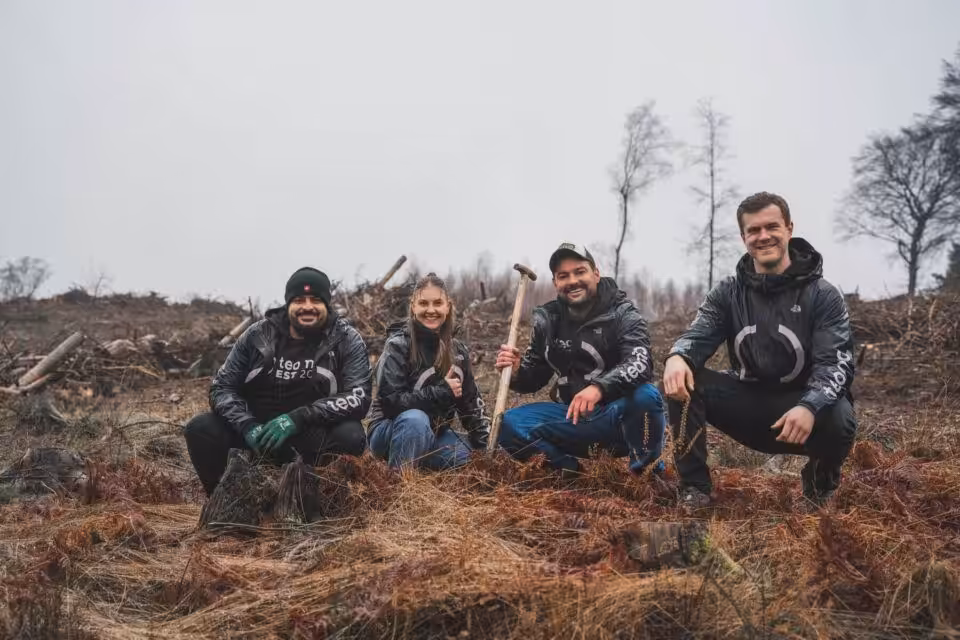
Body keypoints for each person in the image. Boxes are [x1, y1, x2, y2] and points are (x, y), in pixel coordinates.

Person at [663, 192, 857, 509]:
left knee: (838, 414)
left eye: (772, 227)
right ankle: (694, 488)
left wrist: (809, 406)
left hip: (802, 412)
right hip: (748, 404)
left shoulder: (823, 295)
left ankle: (819, 489)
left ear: (789, 228)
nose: (763, 236)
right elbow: (697, 335)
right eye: (753, 230)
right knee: (681, 378)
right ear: (743, 237)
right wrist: (678, 355)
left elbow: (836, 366)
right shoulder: (727, 292)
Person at [184, 267, 371, 495]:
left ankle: (322, 502)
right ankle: (227, 502)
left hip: (310, 434)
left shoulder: (346, 339)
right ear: (288, 303)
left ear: (327, 304)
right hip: (256, 435)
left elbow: (358, 397)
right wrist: (247, 426)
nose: (308, 307)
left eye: (316, 300)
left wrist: (298, 417)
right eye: (299, 300)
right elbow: (222, 388)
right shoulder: (257, 335)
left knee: (351, 435)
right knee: (200, 428)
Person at [494, 243, 665, 476]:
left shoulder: (624, 314)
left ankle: (647, 476)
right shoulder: (548, 320)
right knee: (510, 424)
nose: (572, 280)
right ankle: (569, 473)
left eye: (580, 271)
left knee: (646, 396)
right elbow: (534, 378)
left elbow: (640, 363)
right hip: (573, 420)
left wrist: (599, 388)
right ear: (556, 283)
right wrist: (515, 372)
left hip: (619, 421)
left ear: (596, 274)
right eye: (563, 276)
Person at [368, 273, 489, 469]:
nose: (431, 310)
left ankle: (418, 461)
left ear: (448, 306)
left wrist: (488, 450)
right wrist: (442, 392)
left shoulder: (458, 352)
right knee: (416, 420)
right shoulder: (397, 346)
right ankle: (398, 485)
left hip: (434, 435)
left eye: (438, 303)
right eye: (423, 303)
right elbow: (391, 403)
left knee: (471, 456)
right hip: (389, 430)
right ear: (413, 306)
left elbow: (471, 407)